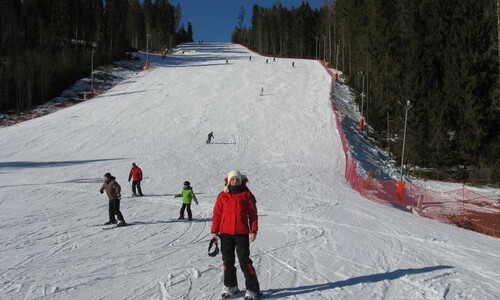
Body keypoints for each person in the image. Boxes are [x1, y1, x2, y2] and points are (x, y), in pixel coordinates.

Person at [211, 170, 261, 299]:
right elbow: (217, 215)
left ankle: (253, 289)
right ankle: (230, 286)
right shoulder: (222, 196)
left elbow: (253, 214)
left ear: (240, 181)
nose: (235, 181)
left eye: (237, 179)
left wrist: (253, 230)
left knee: (244, 261)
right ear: (228, 180)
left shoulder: (246, 195)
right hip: (225, 233)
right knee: (227, 261)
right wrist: (214, 232)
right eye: (232, 179)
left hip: (241, 233)